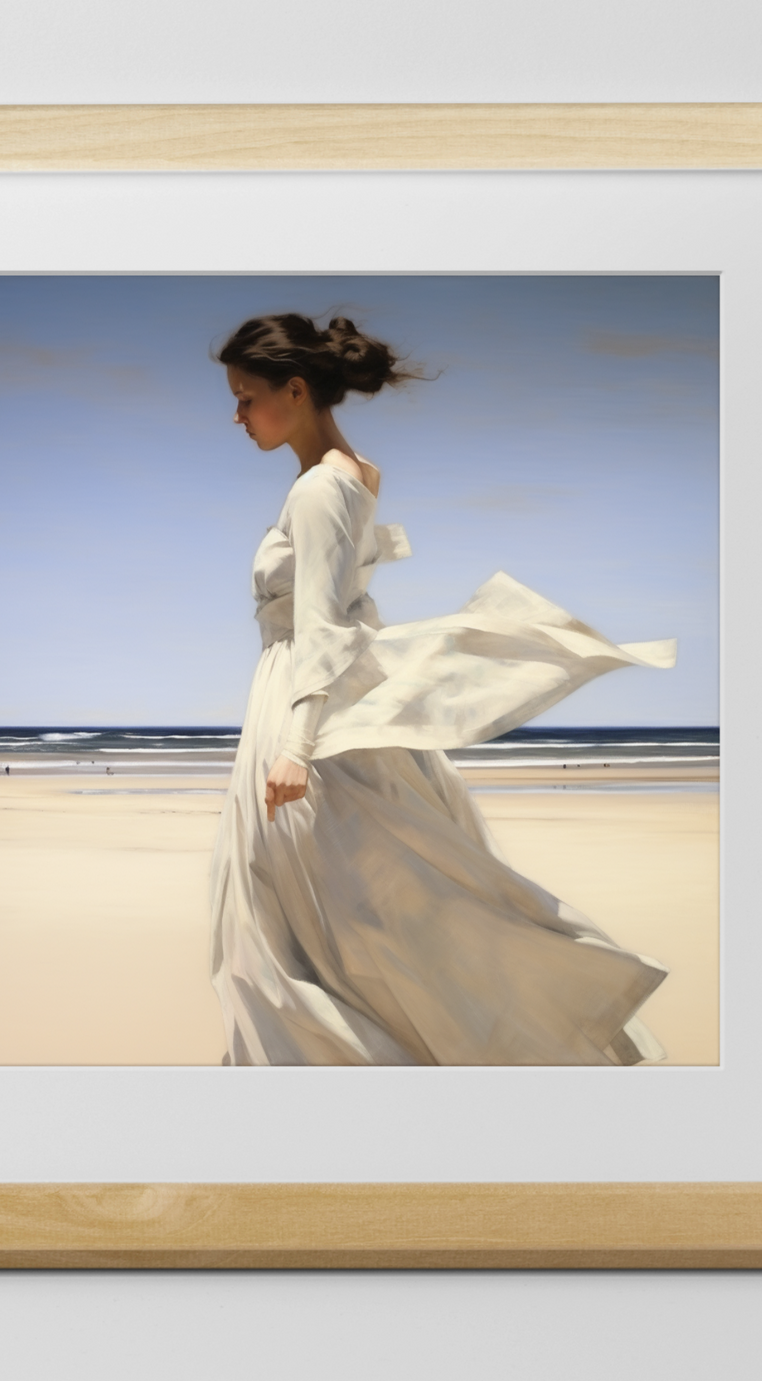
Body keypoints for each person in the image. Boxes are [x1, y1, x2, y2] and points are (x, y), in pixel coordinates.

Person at [209, 313, 676, 1066]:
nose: (235, 415)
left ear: (294, 390)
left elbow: (322, 626)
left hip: (304, 707)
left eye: (244, 397)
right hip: (333, 698)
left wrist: (295, 747)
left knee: (276, 927)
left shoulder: (318, 491)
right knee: (361, 912)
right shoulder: (355, 474)